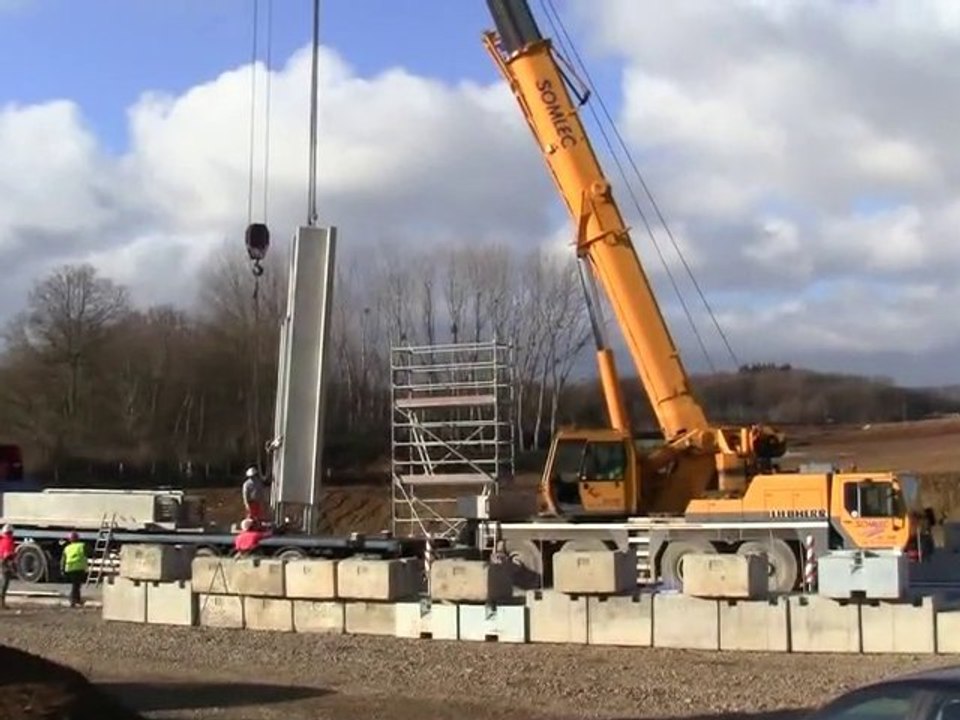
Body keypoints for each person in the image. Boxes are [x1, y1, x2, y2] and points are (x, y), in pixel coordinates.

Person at [60, 531, 88, 608]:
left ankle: (77, 600)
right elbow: (89, 553)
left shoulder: (67, 548)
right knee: (76, 585)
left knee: (76, 585)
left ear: (70, 540)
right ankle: (73, 600)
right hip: (79, 568)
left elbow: (63, 560)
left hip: (70, 568)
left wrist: (62, 570)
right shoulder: (82, 546)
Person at [0, 524, 15, 609]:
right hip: (4, 562)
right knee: (4, 583)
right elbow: (7, 554)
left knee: (2, 582)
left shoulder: (2, 539)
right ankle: (2, 603)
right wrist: (11, 566)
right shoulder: (8, 540)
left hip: (2, 561)